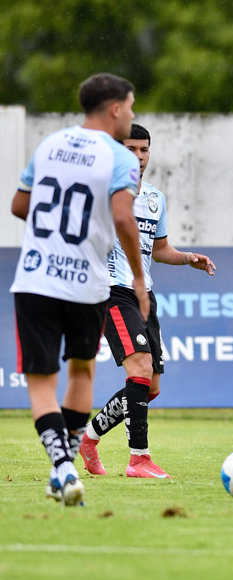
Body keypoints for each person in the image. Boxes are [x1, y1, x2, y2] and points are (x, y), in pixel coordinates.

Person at [10, 73, 147, 506]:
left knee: (40, 383)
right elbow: (124, 219)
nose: (132, 114)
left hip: (36, 278)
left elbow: (19, 204)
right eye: (131, 106)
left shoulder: (50, 144)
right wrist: (139, 278)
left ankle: (62, 467)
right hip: (88, 283)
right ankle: (65, 464)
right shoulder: (119, 158)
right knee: (82, 372)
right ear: (115, 109)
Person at [78, 124, 216, 479]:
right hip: (109, 291)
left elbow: (159, 249)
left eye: (144, 149)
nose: (139, 157)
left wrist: (188, 258)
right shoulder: (101, 195)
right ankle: (138, 458)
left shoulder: (154, 198)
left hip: (143, 295)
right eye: (131, 149)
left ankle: (89, 439)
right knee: (138, 369)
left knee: (149, 387)